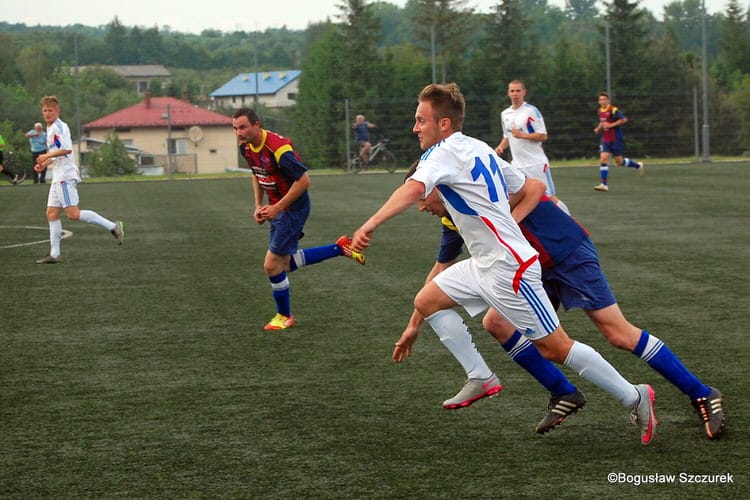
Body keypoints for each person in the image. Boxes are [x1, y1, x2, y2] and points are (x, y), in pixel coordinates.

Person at [352, 83, 657, 444]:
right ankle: (480, 376)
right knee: (426, 301)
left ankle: (634, 396)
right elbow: (526, 184)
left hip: (510, 270)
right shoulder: (478, 147)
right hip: (484, 263)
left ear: (444, 124)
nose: (415, 128)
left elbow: (412, 189)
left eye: (421, 120)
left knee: (555, 347)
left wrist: (370, 223)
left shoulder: (443, 153)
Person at [404, 174, 725, 440]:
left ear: (436, 185)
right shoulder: (453, 216)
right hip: (530, 268)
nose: (419, 207)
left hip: (564, 249)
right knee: (497, 323)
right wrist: (414, 322)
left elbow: (536, 187)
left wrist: (508, 226)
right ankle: (563, 392)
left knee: (618, 333)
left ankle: (702, 392)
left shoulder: (477, 185)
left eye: (420, 197)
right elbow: (441, 269)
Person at [232, 107, 366, 330]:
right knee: (284, 264)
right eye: (235, 128)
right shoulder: (245, 146)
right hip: (278, 207)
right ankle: (339, 248)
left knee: (271, 265)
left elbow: (304, 181)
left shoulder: (279, 149)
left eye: (243, 127)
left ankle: (284, 316)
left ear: (257, 125)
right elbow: (257, 174)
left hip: (293, 208)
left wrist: (277, 208)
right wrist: (258, 205)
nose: (239, 132)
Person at [33, 96, 124, 264]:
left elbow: (66, 149)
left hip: (65, 176)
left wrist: (46, 155)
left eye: (50, 110)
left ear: (57, 111)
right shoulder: (50, 128)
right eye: (44, 110)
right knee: (51, 213)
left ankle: (112, 226)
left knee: (73, 214)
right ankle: (54, 254)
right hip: (58, 176)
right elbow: (56, 154)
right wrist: (44, 164)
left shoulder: (59, 127)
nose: (47, 113)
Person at [495, 80, 559, 200]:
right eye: (512, 91)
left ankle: (568, 218)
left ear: (524, 92)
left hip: (535, 164)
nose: (515, 94)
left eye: (518, 91)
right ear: (508, 93)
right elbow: (507, 136)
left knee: (548, 198)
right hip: (517, 165)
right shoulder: (505, 114)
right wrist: (500, 147)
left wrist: (523, 135)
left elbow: (543, 135)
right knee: (519, 198)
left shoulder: (531, 111)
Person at [593, 92, 644, 192]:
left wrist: (611, 125)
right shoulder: (600, 110)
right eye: (601, 99)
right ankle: (604, 184)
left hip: (616, 138)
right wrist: (598, 128)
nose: (603, 101)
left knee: (619, 162)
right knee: (603, 159)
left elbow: (624, 119)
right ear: (599, 101)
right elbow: (602, 121)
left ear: (608, 100)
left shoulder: (613, 109)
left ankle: (638, 165)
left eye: (604, 99)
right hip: (606, 139)